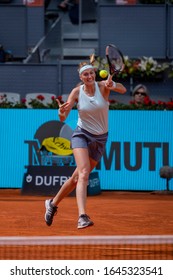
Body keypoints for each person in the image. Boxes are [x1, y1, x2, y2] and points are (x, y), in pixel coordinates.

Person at [44, 59, 127, 229]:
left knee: (76, 178)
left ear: (94, 74)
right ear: (81, 77)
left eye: (91, 73)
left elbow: (123, 89)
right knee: (83, 173)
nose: (89, 76)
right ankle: (82, 216)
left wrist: (114, 85)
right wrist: (60, 112)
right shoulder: (76, 92)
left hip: (100, 139)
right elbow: (63, 118)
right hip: (82, 135)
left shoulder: (104, 86)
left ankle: (52, 204)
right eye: (85, 74)